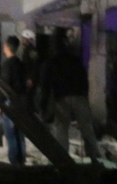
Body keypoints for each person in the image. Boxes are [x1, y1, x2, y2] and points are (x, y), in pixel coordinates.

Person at [41, 29, 100, 161]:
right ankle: (94, 156)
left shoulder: (52, 61)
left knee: (61, 129)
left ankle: (63, 158)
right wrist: (85, 95)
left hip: (61, 97)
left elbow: (46, 85)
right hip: (79, 96)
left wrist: (43, 106)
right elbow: (84, 79)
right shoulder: (74, 59)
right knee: (86, 128)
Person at [0, 35, 27, 165]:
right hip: (20, 102)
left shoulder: (7, 65)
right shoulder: (21, 64)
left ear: (6, 47)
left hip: (10, 102)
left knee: (10, 135)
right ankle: (21, 161)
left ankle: (14, 163)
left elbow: (5, 85)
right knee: (20, 134)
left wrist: (1, 104)